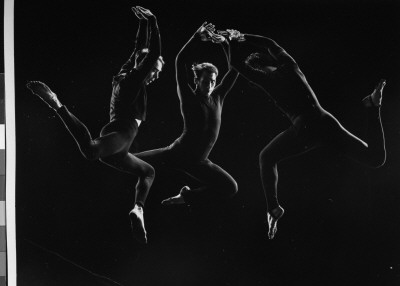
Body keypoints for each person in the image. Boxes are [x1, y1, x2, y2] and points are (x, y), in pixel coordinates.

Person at [214, 29, 386, 239]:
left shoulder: (268, 80)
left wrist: (228, 42)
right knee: (375, 158)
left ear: (259, 69)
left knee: (266, 157)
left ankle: (273, 208)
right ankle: (372, 106)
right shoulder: (290, 65)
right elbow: (270, 42)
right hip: (326, 121)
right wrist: (241, 37)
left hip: (306, 128)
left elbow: (235, 65)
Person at [26, 6, 164, 244]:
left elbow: (139, 50)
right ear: (145, 67)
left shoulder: (126, 73)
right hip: (120, 134)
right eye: (155, 71)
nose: (156, 76)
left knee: (148, 171)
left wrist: (142, 25)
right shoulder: (132, 81)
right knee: (90, 151)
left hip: (120, 146)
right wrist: (153, 21)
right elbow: (149, 55)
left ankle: (138, 209)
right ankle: (56, 104)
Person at [134, 22, 239, 208]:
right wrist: (196, 36)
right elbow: (179, 60)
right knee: (127, 159)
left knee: (230, 188)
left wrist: (225, 42)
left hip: (199, 162)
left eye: (213, 82)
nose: (210, 86)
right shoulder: (189, 97)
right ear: (196, 80)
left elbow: (235, 68)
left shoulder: (219, 97)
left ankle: (187, 197)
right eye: (206, 82)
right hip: (176, 153)